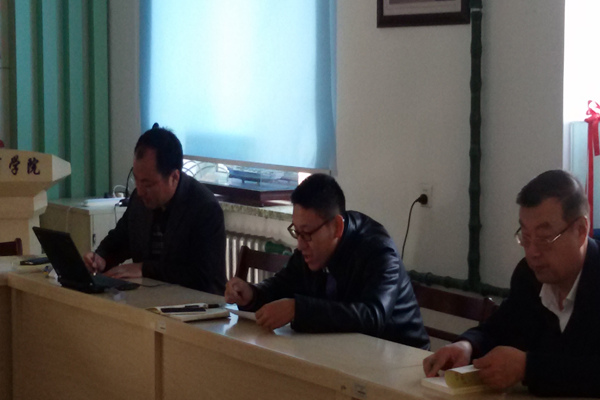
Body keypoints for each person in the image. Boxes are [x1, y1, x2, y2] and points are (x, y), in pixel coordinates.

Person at [423, 169, 600, 397]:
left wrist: (529, 368)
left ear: (581, 230)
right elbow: (501, 328)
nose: (532, 252)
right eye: (525, 237)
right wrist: (467, 346)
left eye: (545, 238)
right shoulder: (528, 275)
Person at [225, 173, 430, 349]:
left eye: (307, 233)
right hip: (345, 353)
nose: (300, 244)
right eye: (296, 232)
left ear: (337, 227)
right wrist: (252, 294)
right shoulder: (310, 247)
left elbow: (373, 316)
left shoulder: (378, 250)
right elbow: (282, 285)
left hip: (401, 359)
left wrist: (299, 309)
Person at [83, 125, 226, 294]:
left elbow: (201, 276)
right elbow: (121, 238)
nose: (140, 191)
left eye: (148, 184)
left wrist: (145, 269)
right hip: (149, 297)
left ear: (174, 177)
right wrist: (101, 258)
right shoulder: (139, 200)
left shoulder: (205, 208)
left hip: (198, 304)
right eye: (136, 180)